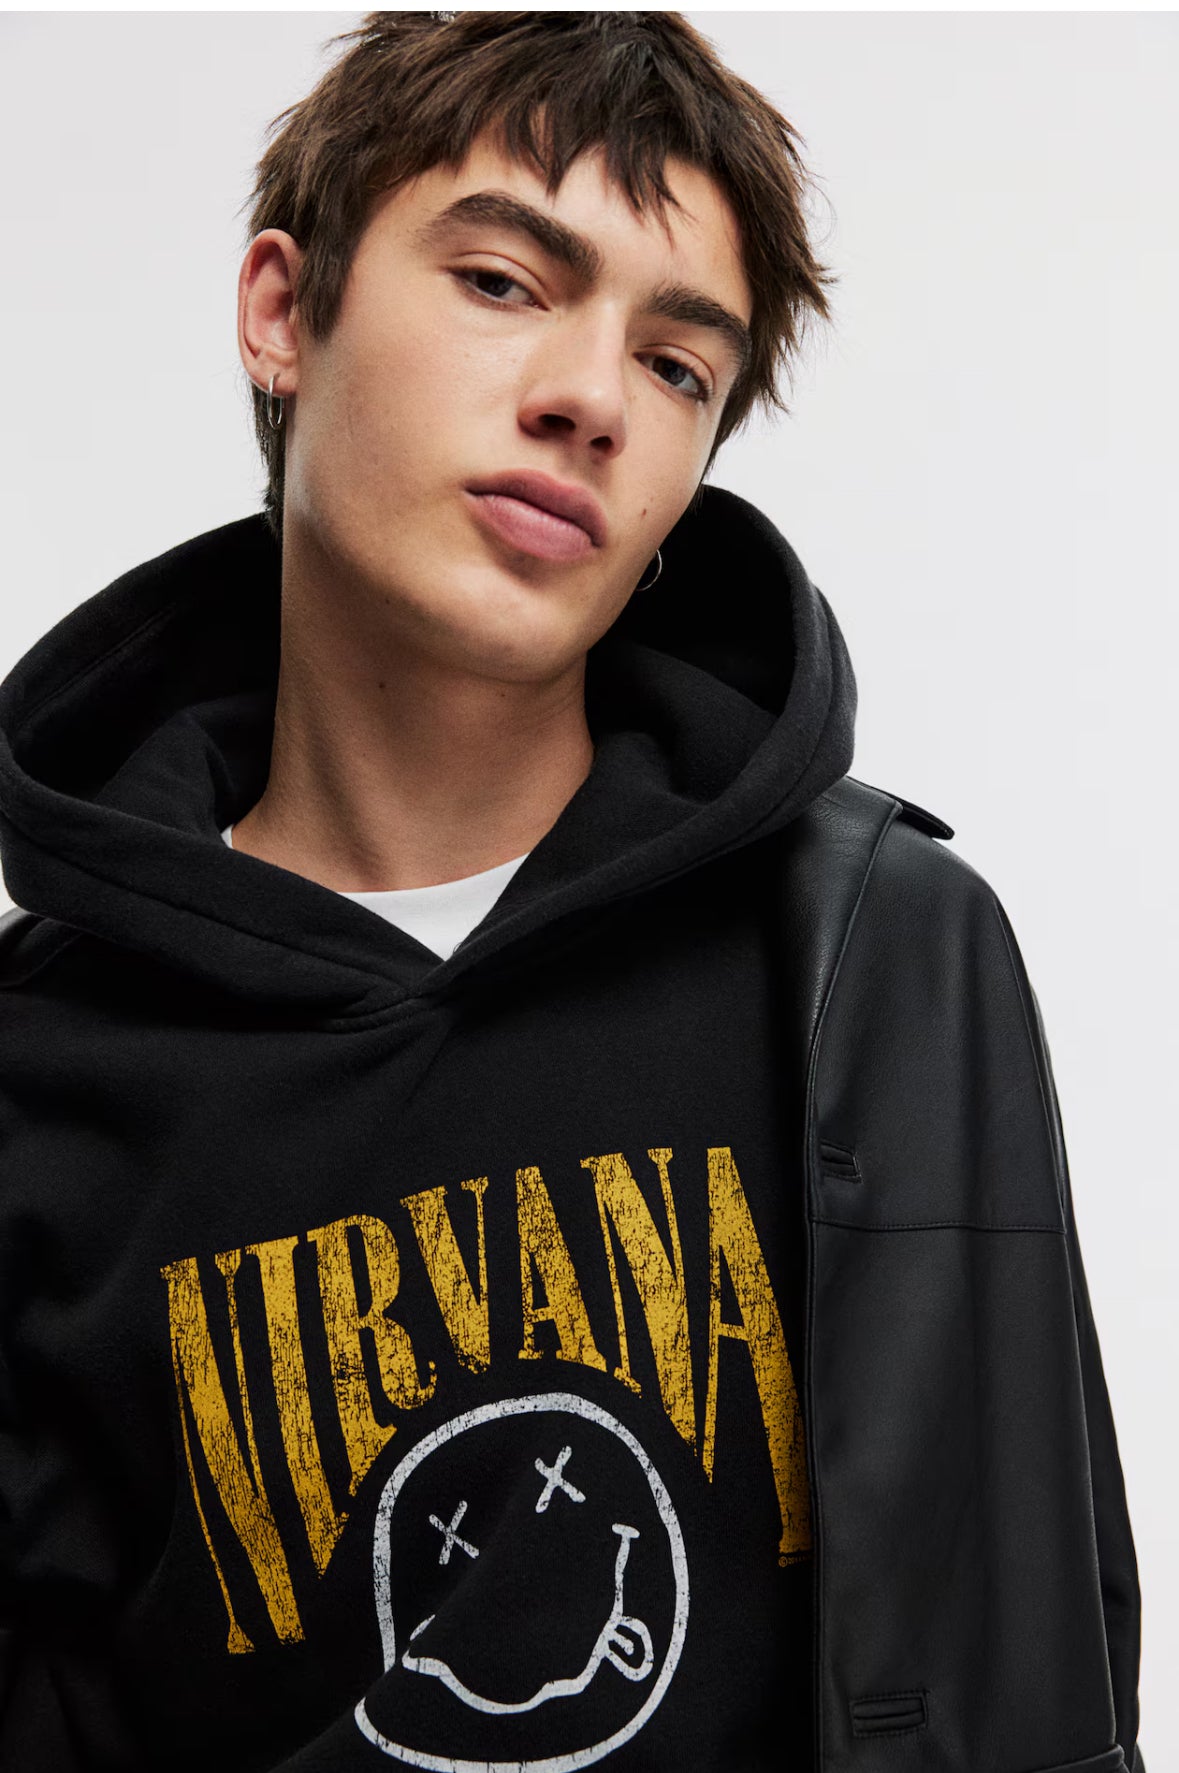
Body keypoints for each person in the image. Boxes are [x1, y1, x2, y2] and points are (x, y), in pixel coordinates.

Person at [0, 12, 1144, 1773]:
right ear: (283, 311)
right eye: (502, 282)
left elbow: (1043, 1669)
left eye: (678, 367)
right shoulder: (44, 1070)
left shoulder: (873, 958)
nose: (592, 398)